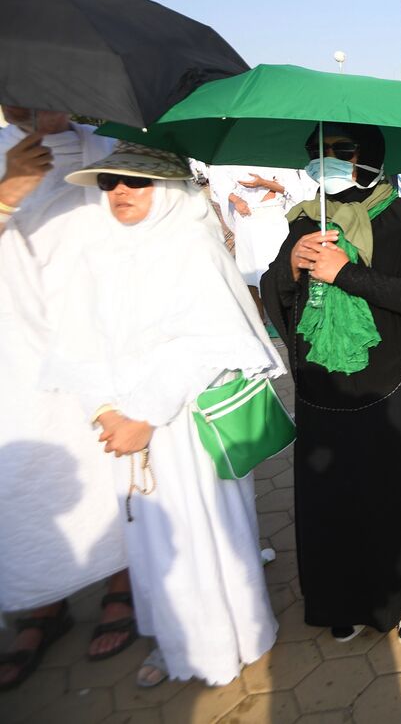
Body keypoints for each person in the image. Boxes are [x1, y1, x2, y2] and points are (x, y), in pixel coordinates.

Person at [45, 143, 281, 688]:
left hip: (183, 429)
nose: (121, 192)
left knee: (207, 535)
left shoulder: (192, 250)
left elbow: (209, 343)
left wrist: (146, 415)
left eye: (135, 182)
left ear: (170, 190)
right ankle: (178, 642)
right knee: (153, 543)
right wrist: (102, 408)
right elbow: (77, 341)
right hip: (124, 432)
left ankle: (234, 639)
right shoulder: (99, 253)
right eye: (109, 183)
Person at [263, 124, 401, 641]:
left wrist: (347, 273)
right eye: (318, 154)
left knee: (396, 482)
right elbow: (273, 290)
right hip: (323, 386)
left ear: (369, 156)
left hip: (392, 379)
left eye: (341, 153)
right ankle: (341, 597)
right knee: (333, 490)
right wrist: (292, 265)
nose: (327, 163)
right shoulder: (305, 221)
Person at [0, 106, 133, 691]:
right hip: (18, 354)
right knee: (30, 473)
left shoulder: (107, 148)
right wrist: (7, 192)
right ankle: (41, 604)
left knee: (112, 464)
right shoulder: (5, 154)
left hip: (106, 335)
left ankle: (122, 584)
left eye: (39, 94)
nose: (27, 111)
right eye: (12, 98)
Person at [207, 164, 313, 328]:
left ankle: (285, 318)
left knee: (277, 267)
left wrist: (264, 183)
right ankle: (260, 320)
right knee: (249, 271)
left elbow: (294, 191)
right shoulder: (229, 159)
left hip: (274, 215)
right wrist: (236, 199)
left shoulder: (275, 155)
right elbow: (218, 184)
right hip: (246, 219)